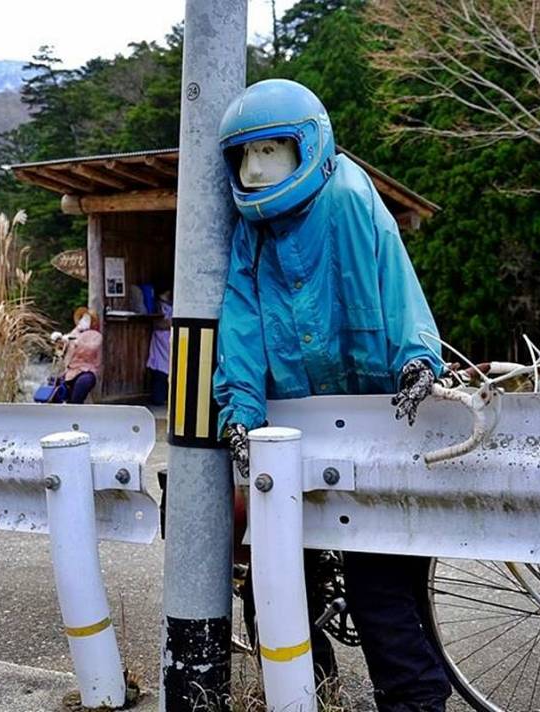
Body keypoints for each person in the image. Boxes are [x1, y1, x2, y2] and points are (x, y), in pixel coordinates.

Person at [213, 78, 452, 712]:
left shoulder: (346, 195)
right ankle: (309, 694)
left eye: (270, 151)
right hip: (292, 425)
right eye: (244, 155)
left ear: (308, 145)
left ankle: (416, 702)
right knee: (272, 581)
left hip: (374, 417)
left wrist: (415, 358)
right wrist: (241, 409)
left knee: (380, 587)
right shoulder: (251, 231)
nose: (254, 169)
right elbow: (241, 325)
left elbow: (394, 281)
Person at [57, 306, 102, 404]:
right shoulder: (74, 332)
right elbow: (63, 349)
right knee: (56, 386)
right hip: (70, 371)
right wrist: (61, 341)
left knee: (83, 383)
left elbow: (91, 349)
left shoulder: (96, 336)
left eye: (86, 319)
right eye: (82, 319)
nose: (83, 321)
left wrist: (77, 342)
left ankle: (75, 406)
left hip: (86, 370)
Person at [146, 289, 172, 406]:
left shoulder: (171, 304)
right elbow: (158, 322)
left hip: (167, 339)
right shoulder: (157, 305)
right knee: (160, 370)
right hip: (161, 340)